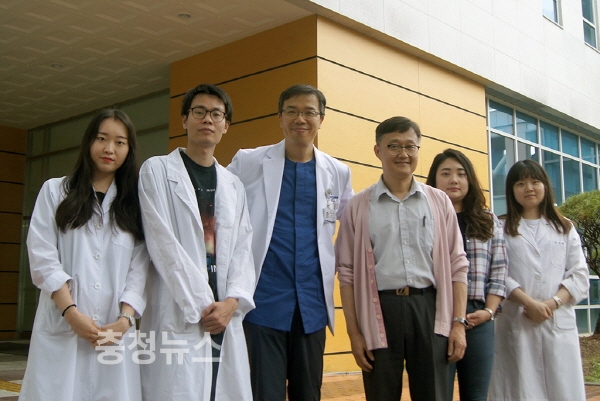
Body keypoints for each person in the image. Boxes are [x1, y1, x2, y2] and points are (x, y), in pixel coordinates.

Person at [227, 84, 353, 401]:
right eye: (292, 111)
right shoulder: (248, 162)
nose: (301, 119)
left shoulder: (338, 172)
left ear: (321, 119)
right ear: (280, 117)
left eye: (309, 112)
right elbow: (219, 211)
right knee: (263, 393)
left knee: (308, 393)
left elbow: (353, 226)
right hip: (262, 303)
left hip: (311, 306)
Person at [336, 116, 469, 401]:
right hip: (379, 310)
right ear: (378, 151)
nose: (403, 154)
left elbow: (457, 265)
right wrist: (354, 333)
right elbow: (346, 273)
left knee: (434, 394)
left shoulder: (439, 201)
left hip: (430, 308)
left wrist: (458, 323)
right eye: (394, 146)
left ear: (418, 150)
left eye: (410, 146)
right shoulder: (358, 206)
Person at [20, 109, 149, 401]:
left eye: (120, 142)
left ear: (129, 150)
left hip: (114, 329)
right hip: (63, 324)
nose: (109, 148)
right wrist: (71, 313)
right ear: (89, 141)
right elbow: (42, 257)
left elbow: (140, 267)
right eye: (102, 138)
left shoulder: (133, 205)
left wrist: (124, 320)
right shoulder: (55, 192)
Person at [138, 83, 255, 401]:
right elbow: (161, 243)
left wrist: (232, 302)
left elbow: (244, 249)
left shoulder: (234, 185)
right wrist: (203, 304)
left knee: (222, 388)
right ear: (184, 120)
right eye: (199, 112)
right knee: (177, 390)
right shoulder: (156, 171)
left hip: (224, 311)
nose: (207, 120)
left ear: (226, 125)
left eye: (216, 114)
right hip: (181, 308)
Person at [488, 160, 589, 401]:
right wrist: (529, 303)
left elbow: (579, 274)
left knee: (562, 388)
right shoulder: (499, 227)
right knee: (519, 389)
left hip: (557, 319)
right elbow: (498, 273)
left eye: (535, 181)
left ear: (545, 185)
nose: (529, 188)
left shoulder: (564, 227)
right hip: (516, 319)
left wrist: (552, 303)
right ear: (511, 190)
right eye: (520, 183)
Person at [426, 148, 507, 401]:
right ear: (434, 179)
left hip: (477, 318)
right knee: (437, 393)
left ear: (470, 179)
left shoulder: (487, 219)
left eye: (461, 174)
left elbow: (499, 271)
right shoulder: (426, 218)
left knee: (476, 395)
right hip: (436, 316)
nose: (454, 180)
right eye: (446, 173)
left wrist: (489, 311)